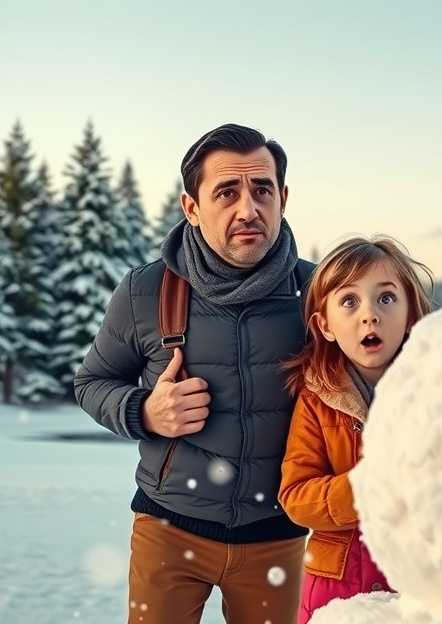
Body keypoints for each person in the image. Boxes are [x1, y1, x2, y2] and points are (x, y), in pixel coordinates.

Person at [74, 123, 314, 624]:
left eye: (262, 190)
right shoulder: (146, 291)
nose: (247, 209)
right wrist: (145, 411)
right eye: (226, 192)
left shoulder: (318, 294)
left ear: (283, 197)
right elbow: (91, 382)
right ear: (191, 207)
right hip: (170, 529)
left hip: (279, 537)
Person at [278, 236, 433, 623]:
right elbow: (296, 497)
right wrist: (367, 486)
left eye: (386, 298)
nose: (370, 315)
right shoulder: (316, 400)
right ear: (325, 325)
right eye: (350, 301)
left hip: (416, 584)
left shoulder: (435, 392)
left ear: (411, 313)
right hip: (336, 589)